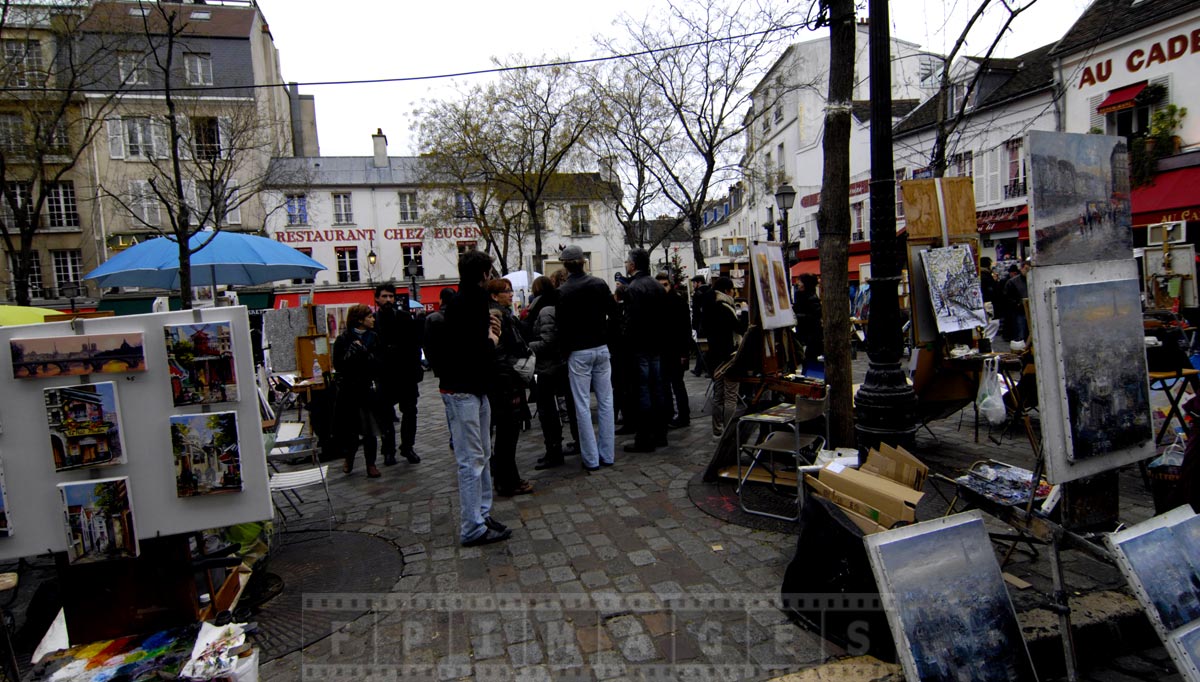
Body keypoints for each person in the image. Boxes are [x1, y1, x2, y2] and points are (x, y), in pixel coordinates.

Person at [441, 251, 510, 547]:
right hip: (463, 389)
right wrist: (492, 339)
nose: (491, 276)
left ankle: (482, 514)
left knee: (482, 455)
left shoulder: (469, 300)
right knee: (471, 461)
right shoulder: (466, 303)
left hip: (475, 388)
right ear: (483, 274)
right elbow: (472, 349)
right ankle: (472, 526)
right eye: (489, 271)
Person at [556, 244, 618, 471]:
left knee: (582, 405)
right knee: (605, 402)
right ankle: (607, 454)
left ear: (565, 266)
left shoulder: (563, 292)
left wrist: (565, 352)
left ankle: (591, 458)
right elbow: (615, 314)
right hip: (600, 347)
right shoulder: (599, 284)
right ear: (584, 262)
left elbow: (561, 327)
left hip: (578, 351)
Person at [486, 278, 534, 497]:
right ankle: (508, 481)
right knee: (508, 432)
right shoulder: (499, 316)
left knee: (507, 432)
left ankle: (506, 477)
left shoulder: (502, 314)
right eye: (506, 291)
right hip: (506, 377)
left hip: (502, 376)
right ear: (495, 296)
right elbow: (514, 345)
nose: (511, 294)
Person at [332, 304, 392, 478]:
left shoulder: (373, 338)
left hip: (368, 389)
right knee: (351, 429)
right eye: (369, 317)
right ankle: (349, 458)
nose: (373, 319)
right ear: (360, 320)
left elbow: (381, 363)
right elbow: (339, 365)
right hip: (350, 391)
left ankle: (371, 463)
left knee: (370, 429)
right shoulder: (344, 339)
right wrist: (349, 355)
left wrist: (367, 355)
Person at [526, 274, 579, 470]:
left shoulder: (545, 309)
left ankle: (554, 450)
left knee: (548, 410)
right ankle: (564, 445)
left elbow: (548, 341)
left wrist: (527, 346)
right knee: (561, 407)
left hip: (548, 367)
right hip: (558, 365)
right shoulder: (554, 305)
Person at [621, 248, 670, 453]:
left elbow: (631, 322)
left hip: (640, 345)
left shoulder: (633, 288)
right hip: (656, 345)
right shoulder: (657, 287)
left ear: (632, 265)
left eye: (627, 262)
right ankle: (660, 434)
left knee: (642, 390)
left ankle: (644, 437)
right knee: (657, 388)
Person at [372, 284, 421, 465]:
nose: (388, 300)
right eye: (384, 296)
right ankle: (388, 450)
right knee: (385, 416)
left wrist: (416, 370)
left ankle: (407, 447)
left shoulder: (404, 317)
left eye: (391, 296)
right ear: (377, 298)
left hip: (405, 373)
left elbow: (415, 345)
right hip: (385, 375)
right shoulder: (374, 321)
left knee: (410, 412)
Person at [705, 277, 747, 437]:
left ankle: (717, 429)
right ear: (727, 291)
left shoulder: (710, 305)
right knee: (730, 396)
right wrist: (745, 311)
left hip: (715, 356)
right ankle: (729, 432)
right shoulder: (725, 308)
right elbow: (740, 328)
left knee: (718, 395)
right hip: (729, 356)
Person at [657, 272, 692, 429]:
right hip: (663, 351)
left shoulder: (678, 302)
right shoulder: (657, 302)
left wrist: (684, 353)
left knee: (677, 384)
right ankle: (668, 413)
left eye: (665, 284)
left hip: (676, 351)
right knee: (665, 384)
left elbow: (685, 329)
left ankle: (684, 416)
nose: (662, 288)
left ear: (670, 285)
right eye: (660, 285)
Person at [424, 286, 457, 450]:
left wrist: (433, 364)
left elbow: (428, 345)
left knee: (450, 405)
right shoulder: (459, 317)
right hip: (458, 367)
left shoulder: (433, 318)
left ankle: (454, 436)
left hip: (443, 369)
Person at [793, 273, 823, 366]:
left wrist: (796, 316)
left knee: (809, 358)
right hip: (804, 332)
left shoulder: (811, 298)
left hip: (812, 333)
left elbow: (814, 316)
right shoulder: (800, 295)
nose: (798, 283)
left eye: (800, 281)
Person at [690, 275, 713, 377]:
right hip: (710, 324)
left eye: (694, 283)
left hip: (700, 324)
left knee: (701, 346)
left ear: (698, 282)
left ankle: (700, 369)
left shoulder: (698, 294)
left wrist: (694, 325)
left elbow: (696, 311)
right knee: (708, 346)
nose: (693, 285)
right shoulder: (710, 291)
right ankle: (702, 368)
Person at [1004, 261, 1030, 346]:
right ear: (1021, 268)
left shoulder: (1031, 280)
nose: (1027, 271)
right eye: (1026, 269)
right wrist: (1018, 304)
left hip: (1028, 310)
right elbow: (1007, 297)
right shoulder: (1013, 282)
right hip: (1019, 311)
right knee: (1020, 333)